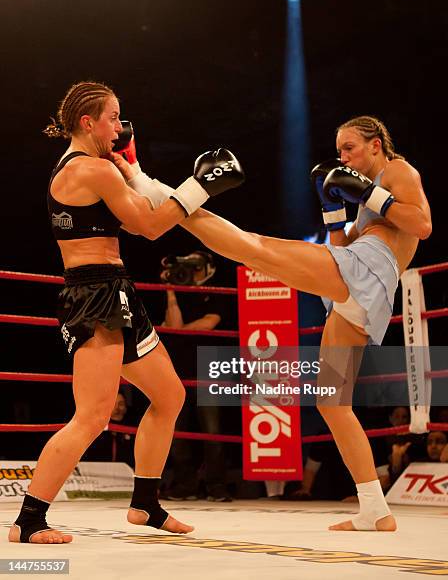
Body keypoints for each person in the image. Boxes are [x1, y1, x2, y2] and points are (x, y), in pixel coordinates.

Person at [9, 81, 244, 544]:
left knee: (169, 395)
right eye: (113, 118)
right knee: (93, 415)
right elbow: (150, 226)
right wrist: (199, 186)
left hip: (116, 290)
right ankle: (29, 520)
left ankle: (145, 503)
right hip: (95, 293)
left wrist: (132, 169)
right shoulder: (90, 170)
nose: (120, 126)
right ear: (87, 122)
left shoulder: (100, 167)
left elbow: (141, 210)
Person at [176, 115, 432, 531]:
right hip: (360, 286)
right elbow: (341, 246)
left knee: (257, 249)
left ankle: (172, 200)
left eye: (349, 148)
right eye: (339, 151)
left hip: (368, 272)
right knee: (332, 403)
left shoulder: (398, 171)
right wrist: (334, 212)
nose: (343, 157)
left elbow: (422, 225)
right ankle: (375, 509)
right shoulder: (369, 195)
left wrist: (369, 192)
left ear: (375, 144)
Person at [160, 252, 232, 502]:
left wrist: (180, 331)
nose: (193, 272)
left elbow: (209, 323)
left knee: (212, 430)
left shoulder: (217, 291)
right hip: (179, 368)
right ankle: (185, 484)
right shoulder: (177, 290)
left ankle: (216, 485)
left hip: (210, 366)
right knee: (178, 430)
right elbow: (172, 325)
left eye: (197, 267)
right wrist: (170, 292)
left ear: (208, 269)